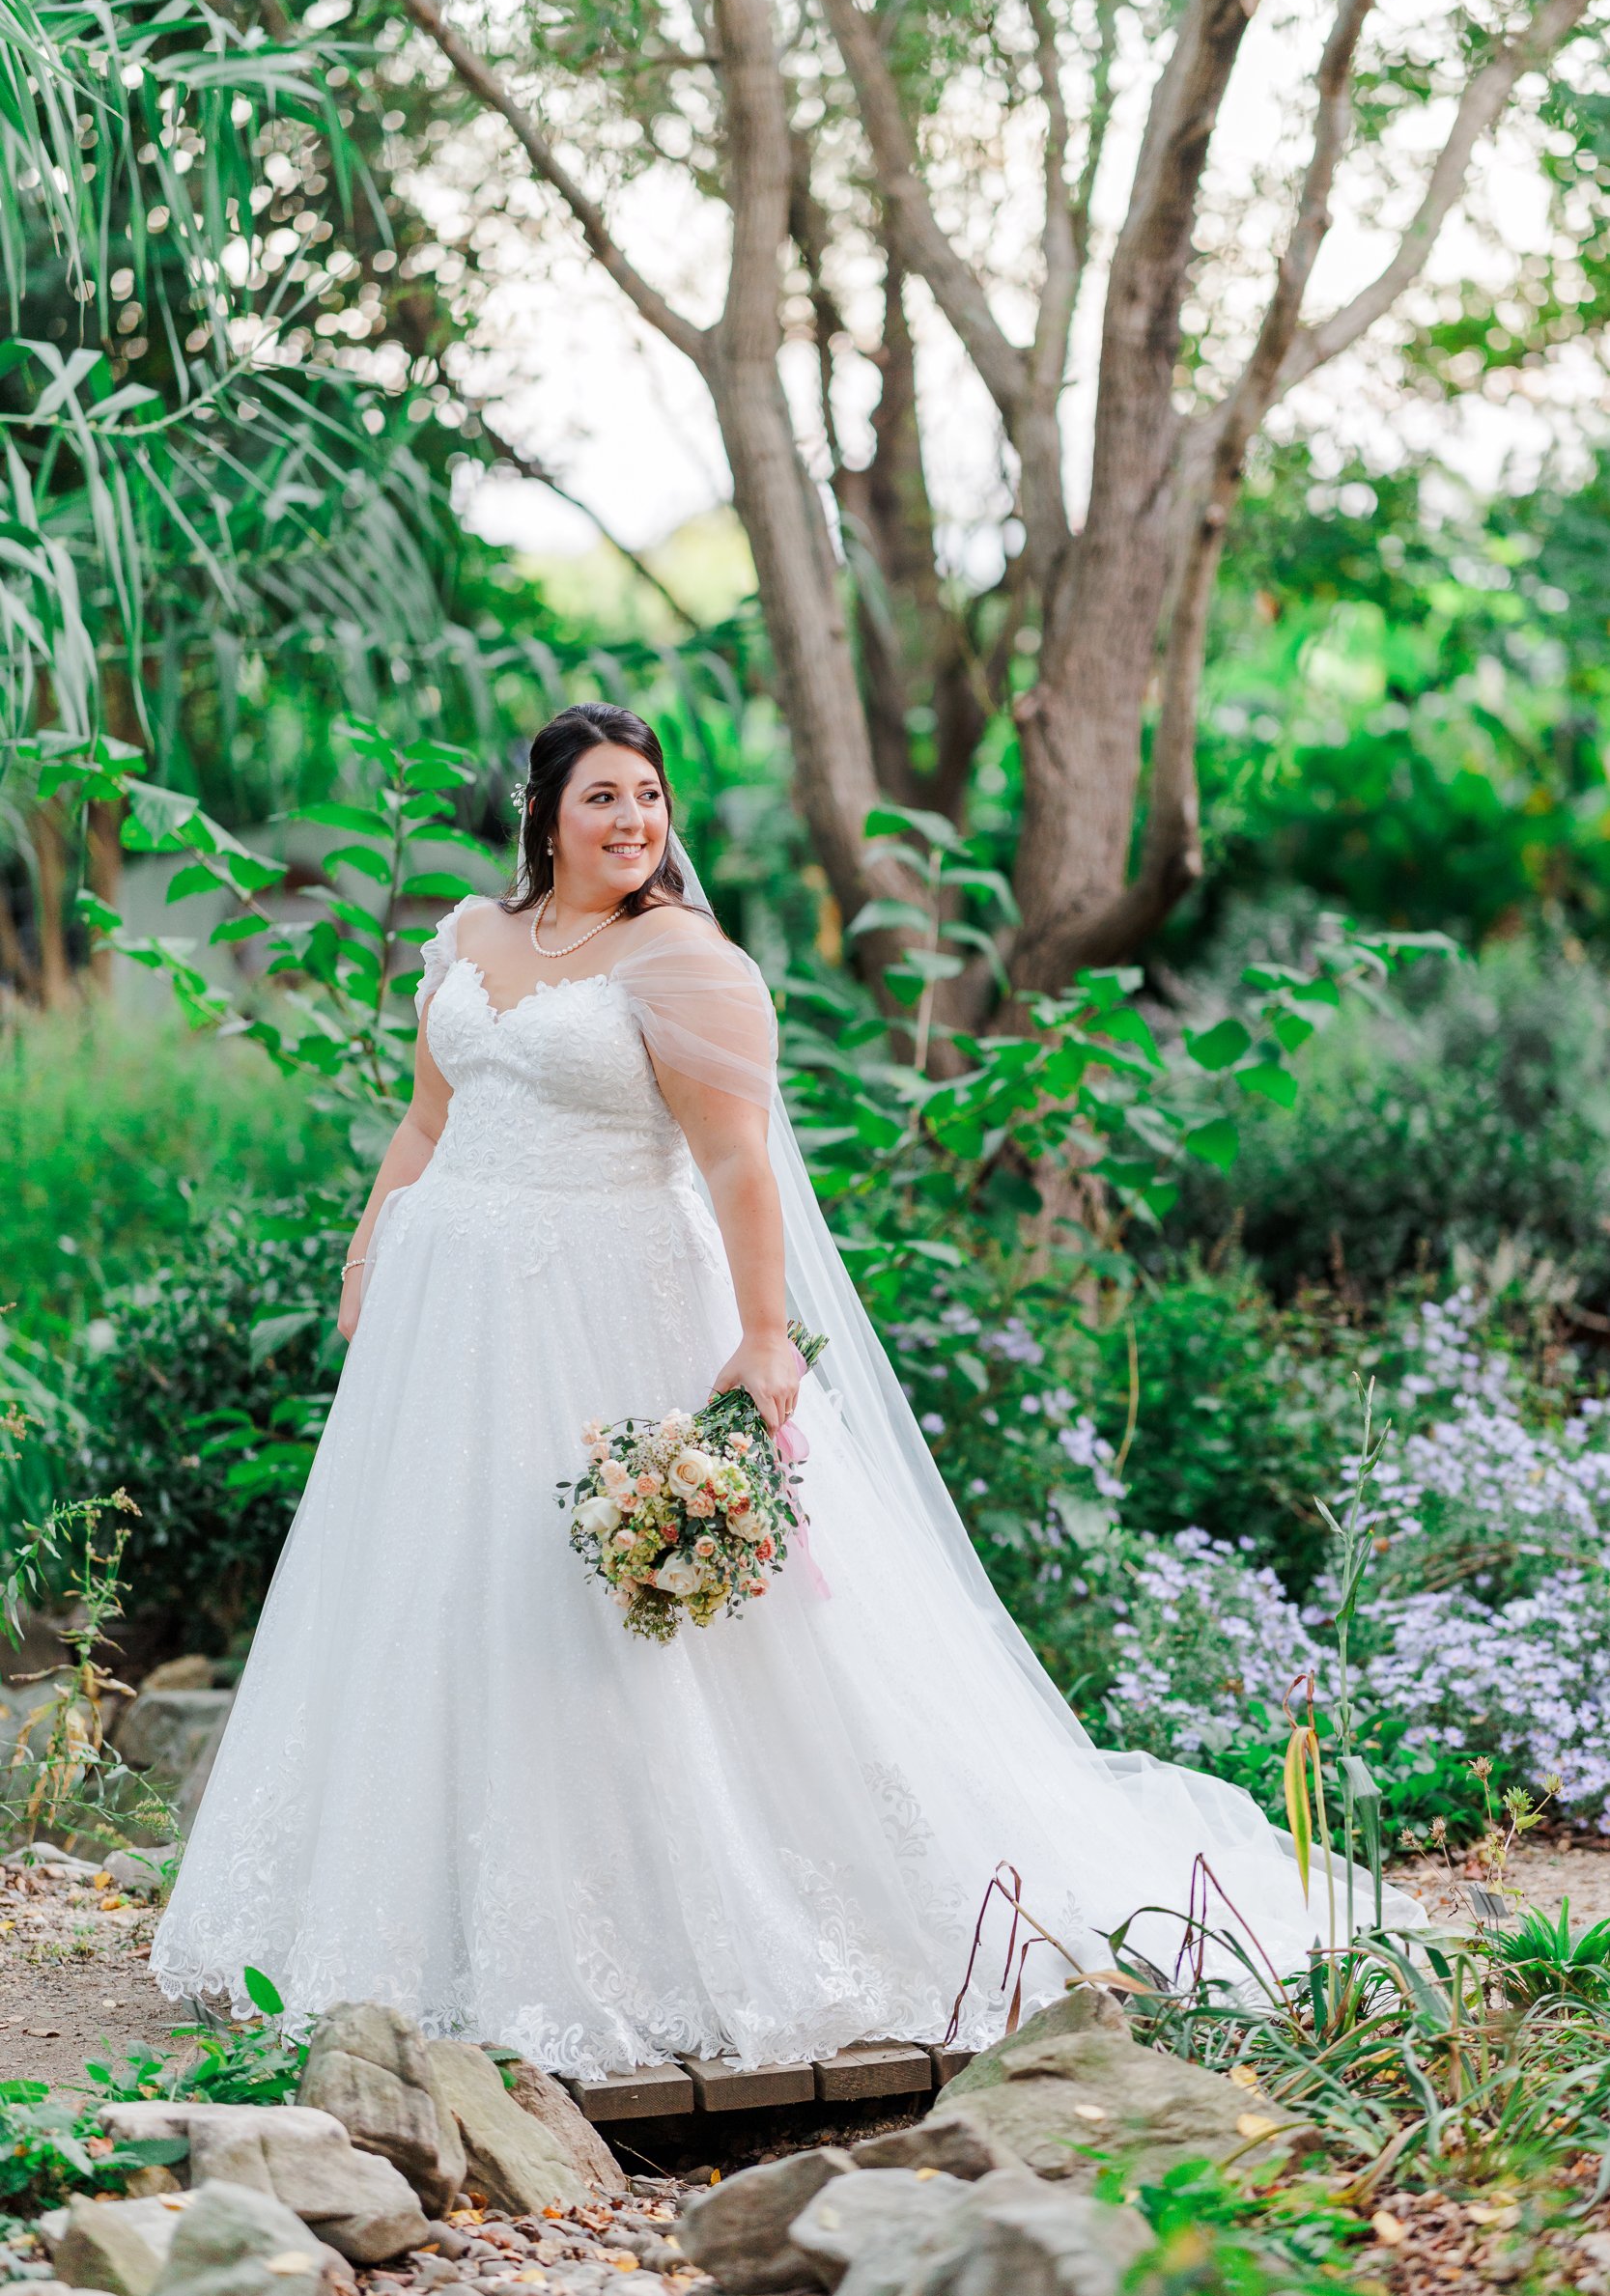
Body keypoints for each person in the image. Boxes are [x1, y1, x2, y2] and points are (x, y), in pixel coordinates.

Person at [152, 701, 1406, 2071]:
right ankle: (413, 1926)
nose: (632, 821)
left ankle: (651, 1926)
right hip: (446, 1318)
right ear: (544, 817)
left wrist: (762, 1339)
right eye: (601, 799)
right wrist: (373, 1240)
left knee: (606, 1610)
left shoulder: (684, 962)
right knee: (440, 1591)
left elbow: (741, 1162)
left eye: (649, 795)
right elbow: (428, 1117)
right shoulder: (468, 936)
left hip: (607, 1306)